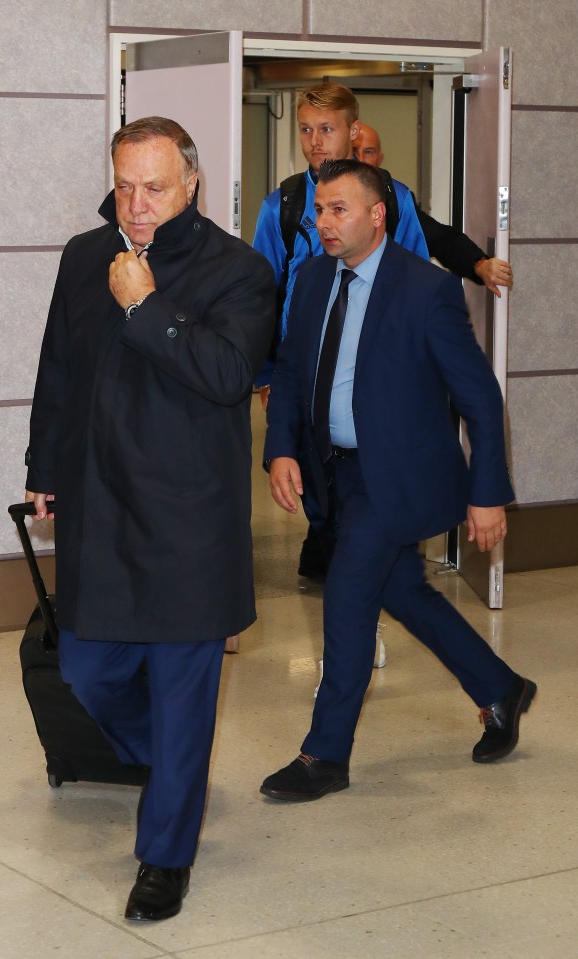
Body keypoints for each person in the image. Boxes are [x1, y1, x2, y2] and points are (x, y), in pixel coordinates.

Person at [24, 116, 275, 920]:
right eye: (125, 186)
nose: (135, 206)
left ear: (193, 183)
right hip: (100, 504)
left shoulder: (240, 270)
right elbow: (57, 366)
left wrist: (146, 307)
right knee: (87, 671)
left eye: (155, 188)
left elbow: (229, 373)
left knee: (181, 692)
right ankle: (170, 765)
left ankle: (164, 857)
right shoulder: (82, 255)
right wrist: (42, 470)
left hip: (187, 521)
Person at [260, 158, 536, 802]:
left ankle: (324, 755)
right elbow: (293, 371)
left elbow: (479, 397)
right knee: (404, 592)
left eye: (339, 210)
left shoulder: (425, 289)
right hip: (334, 475)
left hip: (395, 478)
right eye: (319, 211)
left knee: (348, 596)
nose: (323, 223)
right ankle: (500, 688)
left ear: (377, 215)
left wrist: (487, 491)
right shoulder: (311, 279)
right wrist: (280, 450)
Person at [253, 82, 514, 584]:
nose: (314, 142)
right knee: (323, 492)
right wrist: (268, 376)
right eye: (305, 130)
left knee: (376, 493)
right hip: (304, 374)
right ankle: (355, 574)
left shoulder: (391, 200)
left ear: (352, 132)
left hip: (376, 368)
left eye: (326, 130)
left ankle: (367, 584)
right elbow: (266, 294)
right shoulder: (283, 206)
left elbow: (417, 280)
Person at [352, 121, 514, 296]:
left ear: (380, 158)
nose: (361, 159)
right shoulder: (322, 194)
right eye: (354, 151)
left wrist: (480, 264)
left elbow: (441, 238)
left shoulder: (395, 197)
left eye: (368, 152)